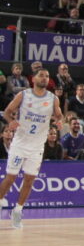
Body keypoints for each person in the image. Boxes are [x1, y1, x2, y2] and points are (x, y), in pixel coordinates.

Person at [0, 68, 63, 228]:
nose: (45, 78)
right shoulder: (23, 95)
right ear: (33, 79)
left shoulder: (53, 98)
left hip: (37, 146)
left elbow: (59, 115)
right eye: (41, 75)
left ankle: (17, 211)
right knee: (10, 178)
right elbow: (7, 112)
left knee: (29, 180)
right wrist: (10, 122)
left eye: (47, 76)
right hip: (20, 143)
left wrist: (60, 120)